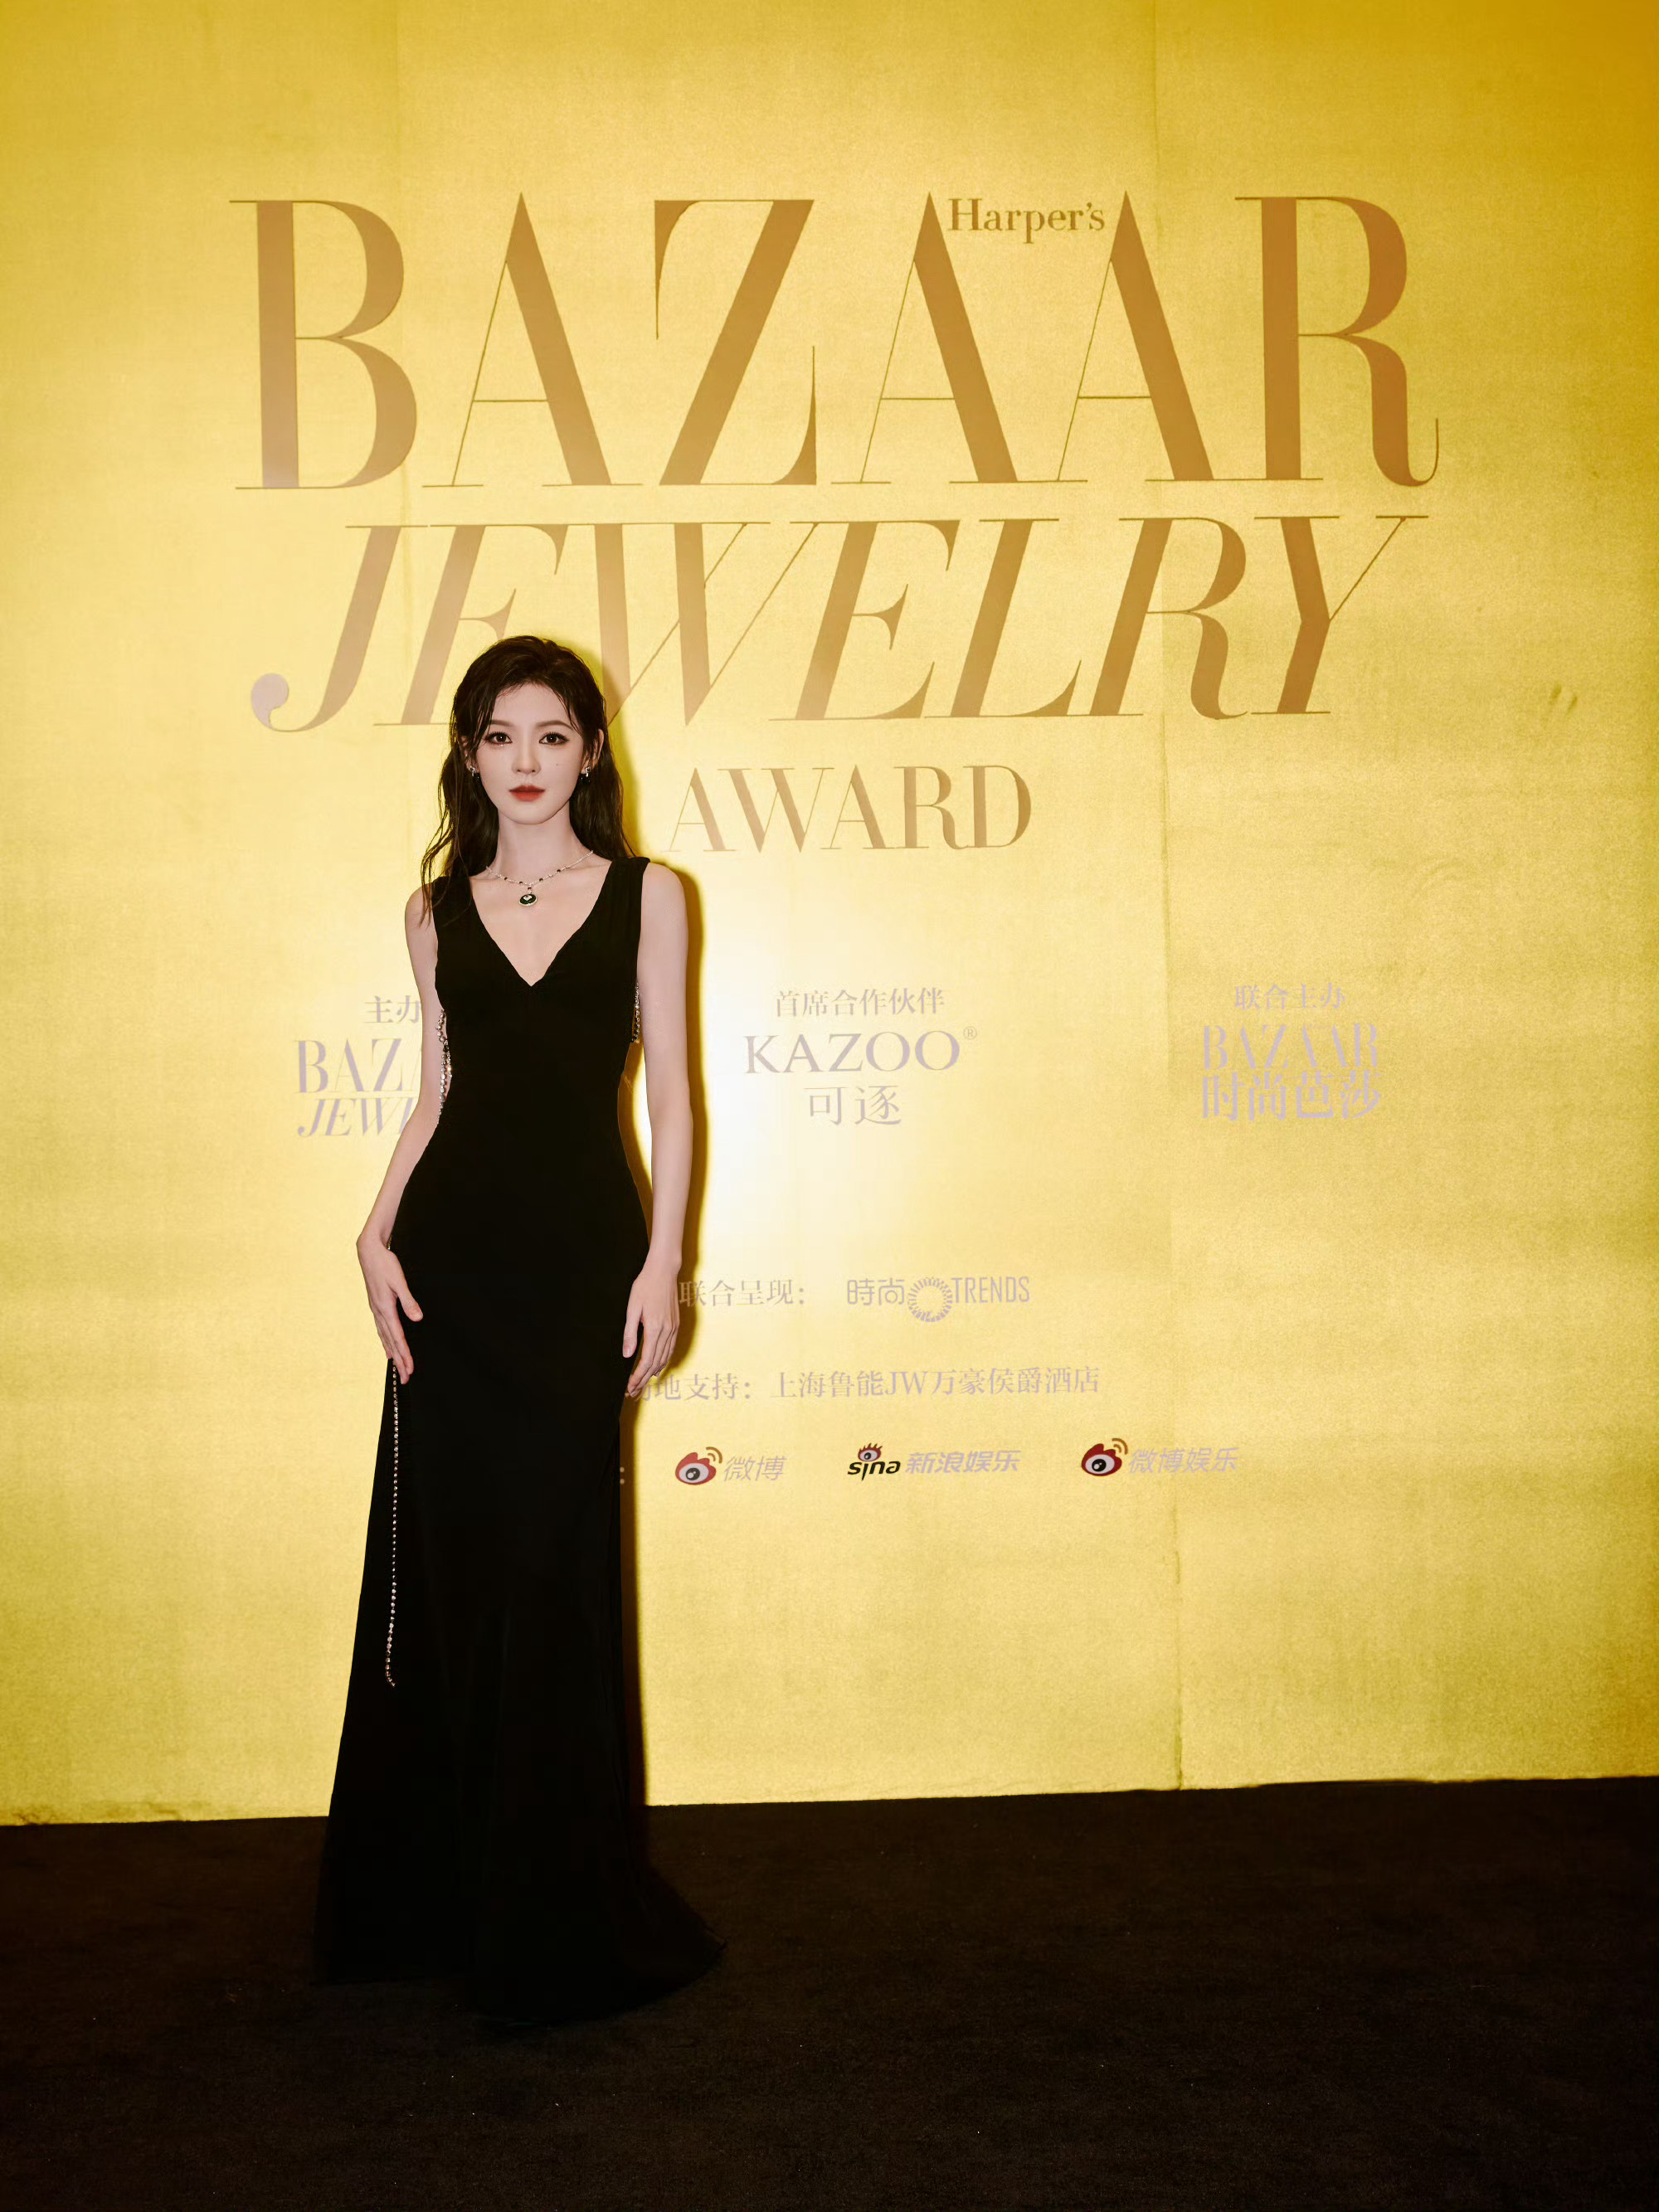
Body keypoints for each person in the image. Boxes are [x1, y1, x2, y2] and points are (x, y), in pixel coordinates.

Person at [313, 634, 724, 2029]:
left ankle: (559, 1907)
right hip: (453, 1270)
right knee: (461, 1575)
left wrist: (665, 1261)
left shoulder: (651, 895)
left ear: (590, 752)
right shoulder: (435, 911)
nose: (528, 761)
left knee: (553, 1573)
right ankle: (448, 1900)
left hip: (580, 1267)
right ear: (471, 757)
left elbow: (673, 1096)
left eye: (553, 735)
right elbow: (436, 1092)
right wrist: (374, 1230)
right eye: (501, 737)